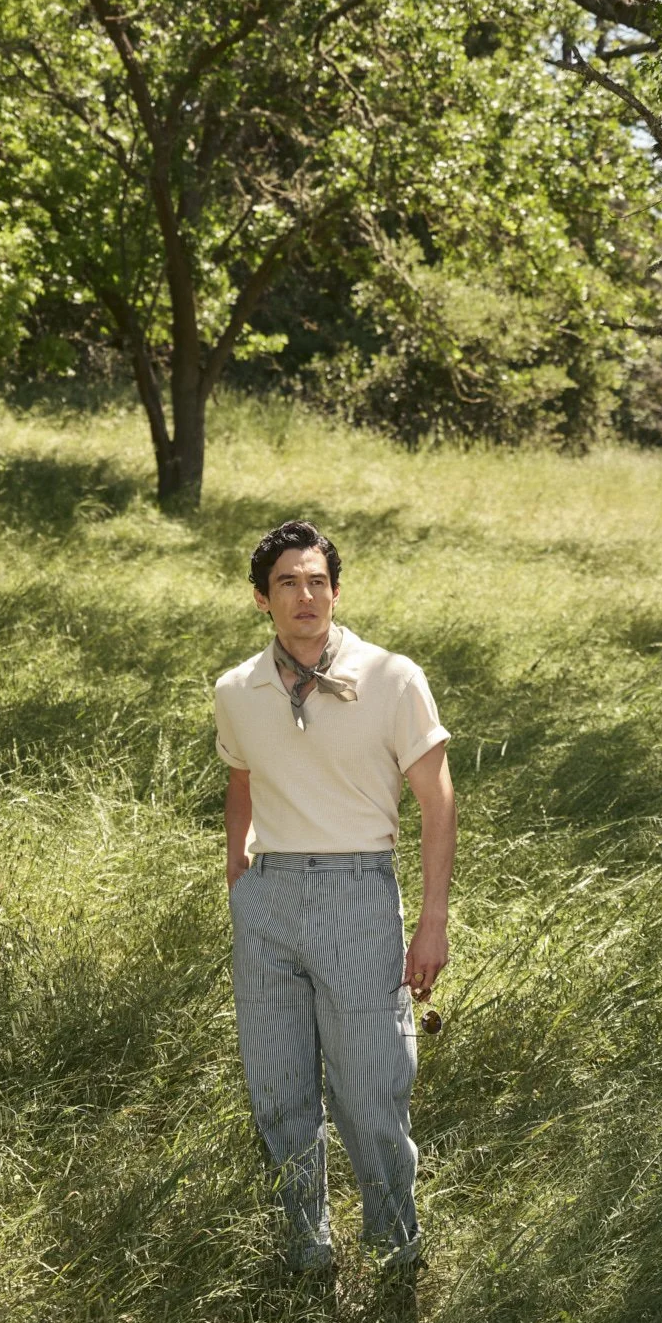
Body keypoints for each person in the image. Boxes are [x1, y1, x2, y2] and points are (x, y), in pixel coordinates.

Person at [214, 519, 457, 1274]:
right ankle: (306, 1254)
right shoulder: (236, 689)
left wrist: (432, 922)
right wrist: (240, 879)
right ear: (262, 599)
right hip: (270, 902)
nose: (305, 594)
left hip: (358, 894)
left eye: (317, 580)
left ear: (336, 591)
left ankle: (395, 1254)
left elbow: (438, 800)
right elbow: (241, 784)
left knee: (369, 1096)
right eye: (287, 582)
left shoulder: (391, 677)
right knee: (280, 1096)